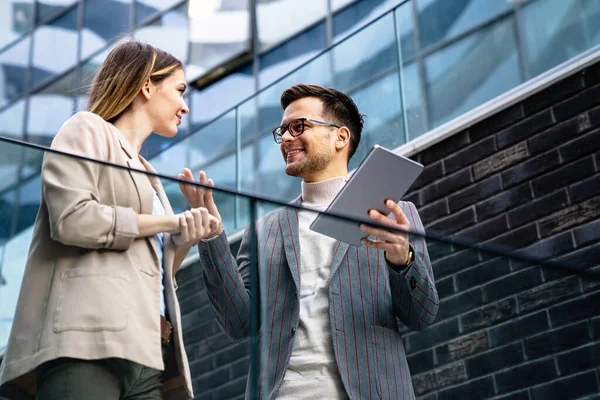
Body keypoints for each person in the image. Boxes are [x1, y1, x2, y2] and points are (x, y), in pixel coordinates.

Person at [179, 83, 439, 399]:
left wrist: (403, 258)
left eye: (299, 126)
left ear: (341, 137)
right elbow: (237, 322)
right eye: (283, 131)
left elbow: (422, 315)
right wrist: (212, 237)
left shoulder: (394, 213)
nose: (286, 138)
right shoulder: (265, 230)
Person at [0, 41, 220, 400]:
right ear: (147, 85)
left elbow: (146, 265)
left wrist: (184, 240)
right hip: (85, 339)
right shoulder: (85, 129)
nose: (185, 106)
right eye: (180, 90)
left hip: (148, 353)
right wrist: (168, 223)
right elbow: (73, 220)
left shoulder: (150, 176)